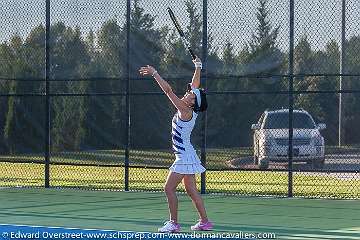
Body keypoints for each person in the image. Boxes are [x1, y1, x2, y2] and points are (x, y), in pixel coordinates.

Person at [139, 57, 213, 233]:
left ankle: (173, 223)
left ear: (192, 102)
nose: (188, 91)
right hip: (188, 154)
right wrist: (198, 67)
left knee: (168, 188)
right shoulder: (191, 107)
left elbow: (167, 90)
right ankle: (205, 222)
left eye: (191, 94)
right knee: (191, 191)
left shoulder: (184, 109)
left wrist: (155, 73)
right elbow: (195, 85)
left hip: (184, 156)